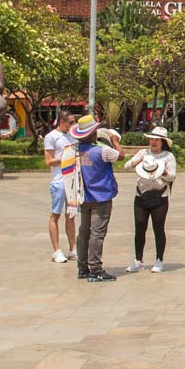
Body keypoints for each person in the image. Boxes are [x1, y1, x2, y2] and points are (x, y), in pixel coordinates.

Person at [70, 116, 122, 283]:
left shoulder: (75, 151)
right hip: (102, 196)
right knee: (97, 233)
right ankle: (96, 269)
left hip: (84, 196)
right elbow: (120, 156)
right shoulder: (102, 151)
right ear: (93, 133)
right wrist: (114, 140)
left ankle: (82, 267)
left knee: (84, 232)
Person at [123, 126, 176, 274]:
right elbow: (126, 166)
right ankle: (138, 260)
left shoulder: (167, 156)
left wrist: (162, 170)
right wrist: (136, 162)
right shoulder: (143, 153)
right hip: (141, 194)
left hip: (160, 195)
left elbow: (172, 176)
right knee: (139, 228)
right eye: (152, 139)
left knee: (158, 229)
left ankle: (159, 260)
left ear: (163, 142)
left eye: (157, 140)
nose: (153, 142)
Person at [43, 110, 78, 264]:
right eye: (70, 122)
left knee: (71, 215)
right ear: (62, 121)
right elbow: (48, 160)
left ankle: (73, 248)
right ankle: (57, 250)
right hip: (59, 180)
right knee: (55, 215)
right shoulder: (51, 137)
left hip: (71, 180)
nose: (72, 125)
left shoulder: (71, 136)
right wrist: (63, 158)